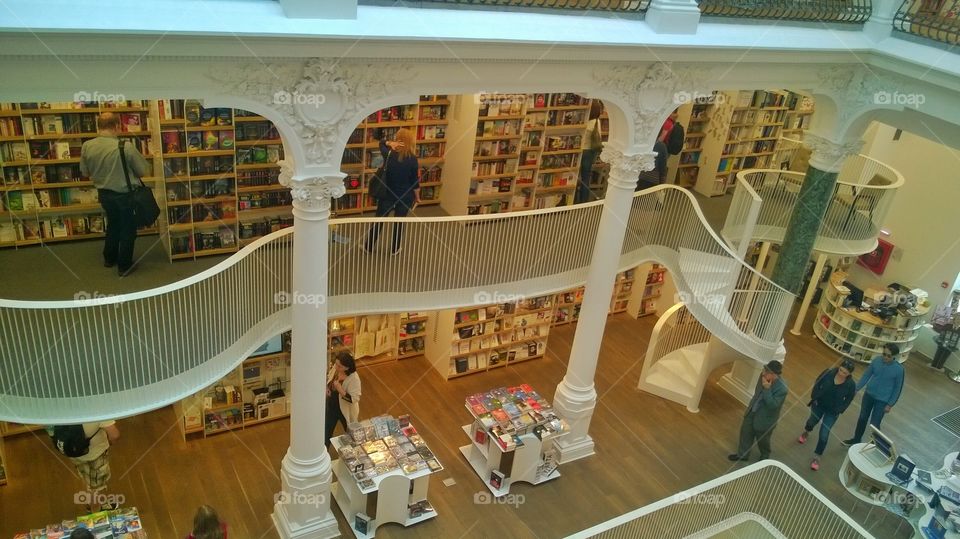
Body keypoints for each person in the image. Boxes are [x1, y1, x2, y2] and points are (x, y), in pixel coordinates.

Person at [79, 112, 151, 276]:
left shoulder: (86, 146)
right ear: (117, 126)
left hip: (104, 194)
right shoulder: (125, 146)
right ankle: (124, 266)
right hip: (125, 195)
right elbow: (143, 170)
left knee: (113, 224)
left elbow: (85, 171)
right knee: (128, 229)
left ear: (98, 127)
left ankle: (109, 258)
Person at [362, 128, 419, 255]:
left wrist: (389, 143)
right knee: (399, 222)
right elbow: (415, 181)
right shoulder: (413, 159)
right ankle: (395, 249)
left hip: (387, 194)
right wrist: (418, 197)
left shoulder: (388, 153)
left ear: (398, 139)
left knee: (379, 220)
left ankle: (368, 247)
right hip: (405, 196)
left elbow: (381, 142)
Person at [798, 359, 856, 470]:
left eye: (845, 373)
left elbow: (849, 399)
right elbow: (817, 383)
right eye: (841, 370)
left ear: (849, 374)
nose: (841, 373)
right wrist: (814, 397)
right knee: (811, 421)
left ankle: (817, 457)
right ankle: (806, 432)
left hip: (832, 412)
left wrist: (840, 409)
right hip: (819, 404)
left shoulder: (850, 385)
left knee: (824, 434)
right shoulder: (828, 373)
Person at [843, 343, 905, 446]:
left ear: (895, 356)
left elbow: (897, 388)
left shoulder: (899, 370)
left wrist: (890, 404)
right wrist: (856, 388)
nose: (885, 357)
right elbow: (866, 375)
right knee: (862, 418)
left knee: (874, 424)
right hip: (868, 395)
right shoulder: (876, 361)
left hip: (882, 401)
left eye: (888, 356)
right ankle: (856, 439)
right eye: (884, 354)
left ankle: (874, 445)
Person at [729, 360, 788, 462]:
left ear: (774, 375)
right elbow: (757, 393)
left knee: (763, 440)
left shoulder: (782, 389)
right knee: (746, 433)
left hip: (765, 419)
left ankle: (765, 455)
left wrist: (767, 389)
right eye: (764, 370)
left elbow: (772, 405)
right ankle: (743, 455)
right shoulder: (762, 376)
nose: (763, 373)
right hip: (753, 411)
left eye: (767, 372)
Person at [57, 421, 121, 512]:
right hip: (95, 454)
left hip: (74, 452)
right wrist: (110, 442)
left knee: (86, 477)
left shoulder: (65, 409)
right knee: (96, 488)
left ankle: (90, 504)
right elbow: (114, 435)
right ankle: (95, 511)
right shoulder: (97, 410)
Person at [325, 352, 361, 445]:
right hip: (332, 406)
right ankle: (324, 454)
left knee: (351, 434)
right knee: (326, 432)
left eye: (339, 366)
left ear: (347, 367)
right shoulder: (336, 368)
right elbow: (330, 377)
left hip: (345, 410)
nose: (336, 367)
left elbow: (354, 399)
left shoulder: (354, 379)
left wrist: (340, 389)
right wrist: (327, 388)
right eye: (336, 364)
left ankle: (354, 452)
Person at [575, 100, 604, 204]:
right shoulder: (597, 121)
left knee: (575, 175)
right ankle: (584, 199)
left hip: (581, 150)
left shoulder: (584, 120)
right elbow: (599, 136)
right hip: (591, 151)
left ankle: (573, 198)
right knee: (586, 176)